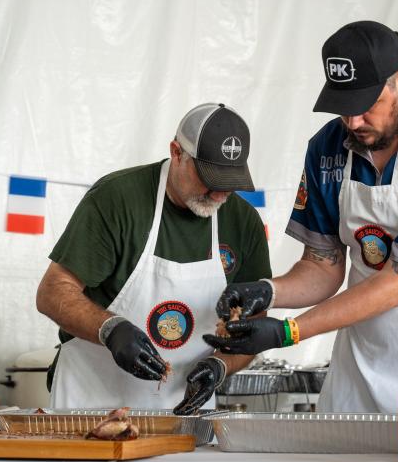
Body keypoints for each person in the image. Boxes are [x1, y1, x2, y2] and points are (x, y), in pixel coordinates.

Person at [204, 21, 398, 416]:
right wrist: (267, 291)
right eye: (343, 108)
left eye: (366, 106)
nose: (352, 123)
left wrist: (288, 331)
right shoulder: (327, 148)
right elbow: (322, 267)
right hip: (365, 369)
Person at [37, 103, 271, 415]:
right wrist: (111, 329)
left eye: (229, 183)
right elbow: (52, 292)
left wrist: (220, 365)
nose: (218, 195)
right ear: (177, 152)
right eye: (209, 179)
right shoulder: (118, 199)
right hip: (91, 403)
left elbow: (254, 323)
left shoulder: (243, 222)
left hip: (185, 412)